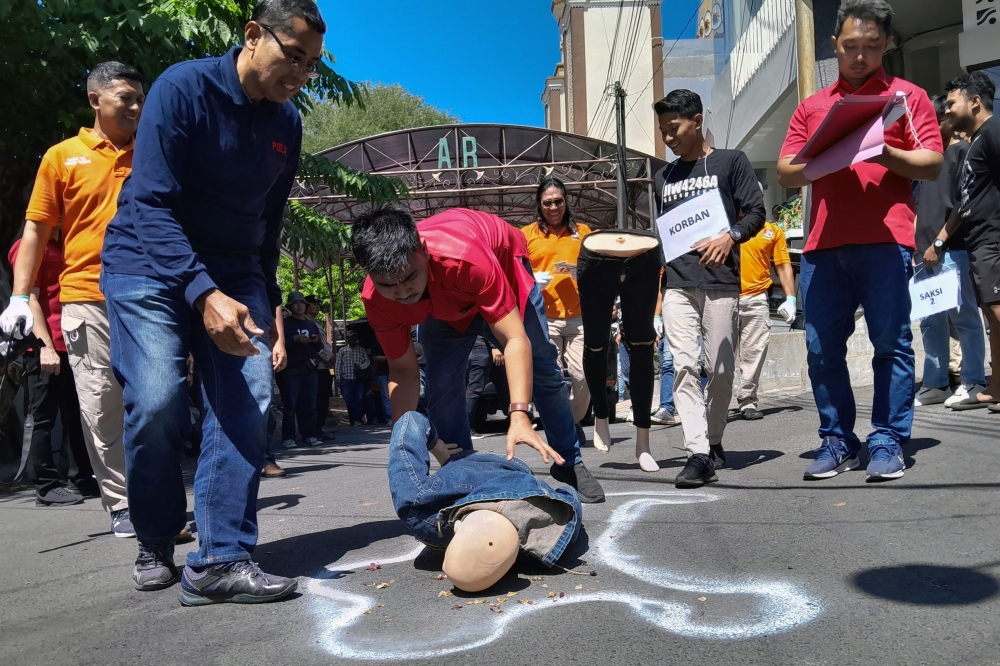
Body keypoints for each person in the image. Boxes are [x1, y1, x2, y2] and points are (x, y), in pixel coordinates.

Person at [99, 0, 326, 603]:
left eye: (311, 68)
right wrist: (201, 292)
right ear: (254, 36)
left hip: (236, 267)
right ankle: (155, 536)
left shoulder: (287, 124)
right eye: (293, 58)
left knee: (248, 393)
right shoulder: (183, 88)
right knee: (156, 399)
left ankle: (220, 558)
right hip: (146, 261)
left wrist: (268, 307)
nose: (300, 77)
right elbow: (148, 204)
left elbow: (269, 225)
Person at [778, 0, 943, 482]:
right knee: (821, 349)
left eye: (872, 46)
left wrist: (879, 147)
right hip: (822, 246)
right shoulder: (812, 106)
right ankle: (836, 439)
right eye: (851, 46)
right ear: (835, 45)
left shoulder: (907, 97)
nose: (860, 56)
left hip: (886, 242)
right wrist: (830, 153)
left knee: (891, 345)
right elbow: (787, 172)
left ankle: (888, 439)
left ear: (887, 45)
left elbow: (932, 163)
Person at [352, 206, 605, 504]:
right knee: (442, 385)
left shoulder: (464, 257)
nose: (403, 292)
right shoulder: (378, 300)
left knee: (543, 371)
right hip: (445, 302)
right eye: (388, 285)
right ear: (370, 275)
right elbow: (403, 370)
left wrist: (520, 415)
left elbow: (513, 338)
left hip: (500, 268)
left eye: (409, 277)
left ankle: (569, 461)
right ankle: (459, 472)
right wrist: (403, 440)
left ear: (423, 250)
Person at [0, 61, 145, 536]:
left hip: (149, 295)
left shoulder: (154, 152)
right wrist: (20, 297)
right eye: (125, 97)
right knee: (101, 403)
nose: (136, 106)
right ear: (95, 100)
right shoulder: (62, 157)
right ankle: (124, 505)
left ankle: (153, 492)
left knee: (155, 400)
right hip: (86, 296)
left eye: (140, 97)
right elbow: (37, 229)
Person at [653, 89, 766, 487]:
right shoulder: (662, 178)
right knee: (683, 365)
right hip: (678, 285)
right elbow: (664, 234)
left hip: (720, 283)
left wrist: (730, 236)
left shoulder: (730, 162)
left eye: (675, 127)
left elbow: (756, 211)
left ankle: (714, 440)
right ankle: (697, 452)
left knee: (720, 369)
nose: (668, 138)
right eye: (663, 130)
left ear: (697, 121)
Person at [387, 410, 582, 591]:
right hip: (489, 466)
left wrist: (440, 450)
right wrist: (439, 449)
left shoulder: (549, 529)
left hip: (503, 469)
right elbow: (410, 422)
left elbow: (569, 497)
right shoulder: (423, 512)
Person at [8, 234, 96, 505]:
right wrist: (45, 346)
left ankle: (80, 477)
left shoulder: (59, 245)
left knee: (77, 415)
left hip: (71, 342)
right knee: (42, 417)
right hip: (44, 346)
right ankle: (45, 486)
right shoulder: (29, 246)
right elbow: (29, 299)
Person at [931, 71, 1000, 413]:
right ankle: (996, 385)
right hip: (977, 241)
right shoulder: (976, 140)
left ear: (975, 101)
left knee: (996, 312)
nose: (947, 109)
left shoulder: (993, 132)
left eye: (953, 102)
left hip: (992, 238)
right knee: (991, 311)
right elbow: (966, 199)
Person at [913, 95, 987, 408]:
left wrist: (940, 242)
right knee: (930, 321)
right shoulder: (924, 161)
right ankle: (935, 382)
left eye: (934, 119)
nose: (925, 126)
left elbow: (964, 204)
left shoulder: (960, 153)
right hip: (922, 254)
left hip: (951, 250)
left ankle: (973, 380)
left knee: (965, 318)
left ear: (946, 120)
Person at [521, 178, 592, 447]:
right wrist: (531, 278)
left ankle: (571, 421)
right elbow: (513, 270)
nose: (554, 207)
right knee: (549, 377)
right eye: (547, 202)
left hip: (578, 316)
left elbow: (598, 268)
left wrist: (579, 272)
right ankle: (560, 428)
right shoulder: (526, 234)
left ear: (566, 201)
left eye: (558, 201)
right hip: (543, 318)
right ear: (539, 205)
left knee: (582, 375)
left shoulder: (583, 231)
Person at [736, 214, 797, 420]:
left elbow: (782, 264)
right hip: (722, 295)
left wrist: (791, 298)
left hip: (756, 298)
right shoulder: (722, 224)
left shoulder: (772, 231)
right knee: (718, 356)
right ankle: (714, 400)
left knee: (755, 352)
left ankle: (747, 400)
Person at [276, 291, 322, 447]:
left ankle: (309, 434)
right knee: (290, 405)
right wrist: (293, 339)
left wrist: (315, 341)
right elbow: (278, 344)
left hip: (309, 368)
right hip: (291, 370)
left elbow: (320, 347)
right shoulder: (285, 324)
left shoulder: (311, 324)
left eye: (302, 302)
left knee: (309, 405)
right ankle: (288, 437)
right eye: (296, 303)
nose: (300, 305)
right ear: (290, 306)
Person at [650, 270, 680, 426]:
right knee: (668, 364)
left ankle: (703, 405)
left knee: (701, 363)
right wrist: (656, 317)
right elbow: (661, 292)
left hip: (700, 311)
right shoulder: (665, 262)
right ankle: (666, 408)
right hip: (671, 318)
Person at [304, 294, 336, 432]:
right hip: (315, 365)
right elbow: (317, 348)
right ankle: (313, 430)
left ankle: (319, 429)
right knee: (315, 400)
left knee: (323, 399)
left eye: (318, 303)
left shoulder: (317, 323)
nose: (317, 306)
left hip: (325, 366)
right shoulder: (305, 324)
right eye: (313, 303)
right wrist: (329, 357)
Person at [335, 331, 372, 426]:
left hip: (359, 378)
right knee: (348, 398)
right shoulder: (342, 350)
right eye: (351, 338)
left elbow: (367, 362)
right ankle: (359, 417)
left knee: (359, 398)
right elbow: (338, 365)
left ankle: (356, 420)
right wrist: (338, 378)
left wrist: (361, 367)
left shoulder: (361, 350)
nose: (353, 340)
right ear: (347, 339)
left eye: (354, 338)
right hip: (346, 378)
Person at [465, 335, 492, 439]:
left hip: (467, 350)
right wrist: (494, 347)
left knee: (467, 390)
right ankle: (468, 428)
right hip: (480, 350)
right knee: (474, 391)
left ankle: (464, 426)